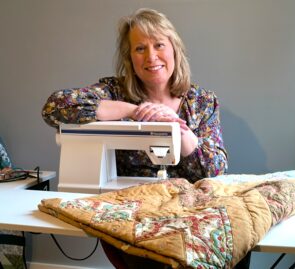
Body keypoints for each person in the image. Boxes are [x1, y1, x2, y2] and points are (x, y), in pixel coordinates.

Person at [42, 8, 229, 268]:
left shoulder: (202, 102)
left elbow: (215, 169)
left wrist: (176, 127)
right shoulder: (115, 91)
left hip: (189, 215)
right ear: (130, 58)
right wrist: (133, 110)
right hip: (132, 215)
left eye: (159, 45)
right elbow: (54, 108)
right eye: (140, 48)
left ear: (174, 48)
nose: (151, 56)